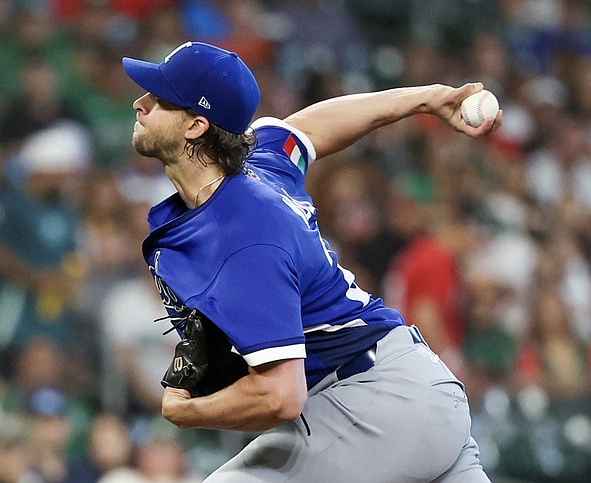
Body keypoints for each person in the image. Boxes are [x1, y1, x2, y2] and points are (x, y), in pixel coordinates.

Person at [121, 40, 500, 483]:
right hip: (413, 391)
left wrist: (188, 411)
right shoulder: (257, 166)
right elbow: (307, 130)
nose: (140, 103)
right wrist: (424, 98)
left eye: (158, 98)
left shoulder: (244, 234)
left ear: (196, 126)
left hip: (371, 403)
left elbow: (280, 396)